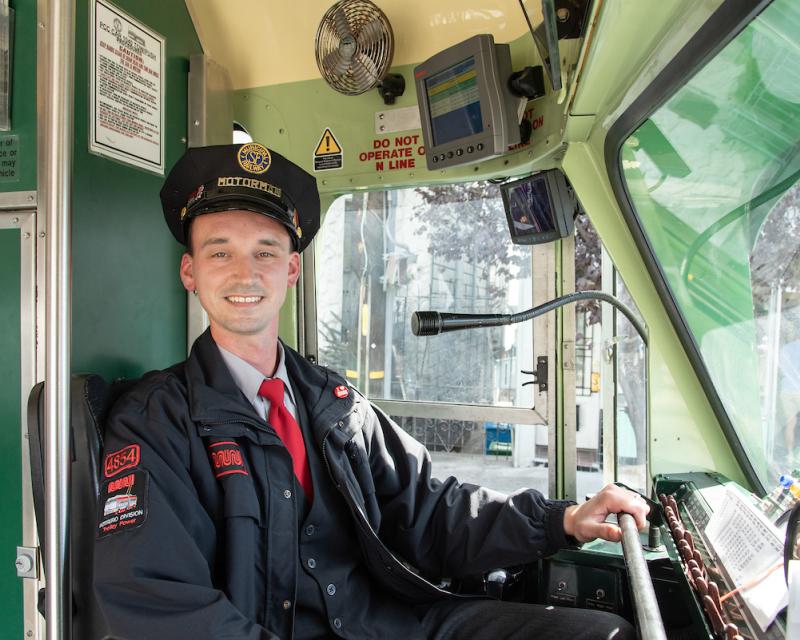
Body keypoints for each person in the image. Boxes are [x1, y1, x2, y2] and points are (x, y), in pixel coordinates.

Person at [94, 143, 649, 640]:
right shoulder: (156, 423)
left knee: (606, 635)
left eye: (265, 252)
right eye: (220, 252)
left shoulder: (333, 405)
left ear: (290, 270)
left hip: (402, 622)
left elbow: (431, 511)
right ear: (190, 272)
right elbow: (162, 602)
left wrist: (562, 521)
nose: (245, 273)